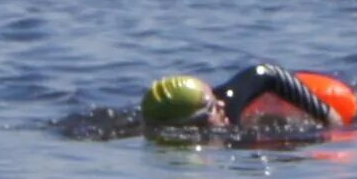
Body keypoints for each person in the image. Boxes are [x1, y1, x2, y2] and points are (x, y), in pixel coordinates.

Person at [141, 63, 342, 133]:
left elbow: (267, 73)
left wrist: (328, 117)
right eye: (211, 107)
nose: (220, 104)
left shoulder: (229, 102)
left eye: (213, 95)